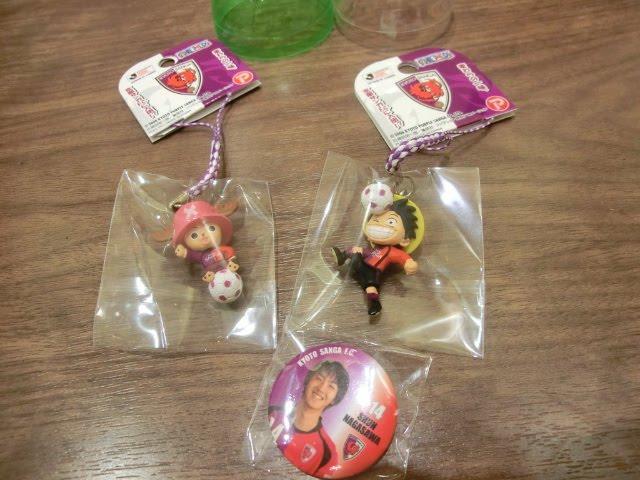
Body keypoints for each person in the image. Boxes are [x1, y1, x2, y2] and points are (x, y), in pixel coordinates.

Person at [332, 198, 419, 317]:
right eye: (376, 219)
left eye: (391, 222)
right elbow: (370, 253)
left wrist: (409, 263)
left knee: (370, 287)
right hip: (363, 265)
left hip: (372, 272)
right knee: (356, 251)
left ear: (404, 240)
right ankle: (342, 257)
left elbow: (403, 257)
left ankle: (375, 304)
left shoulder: (392, 251)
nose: (379, 224)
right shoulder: (377, 248)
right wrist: (360, 250)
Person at [269, 361, 349, 478]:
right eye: (319, 378)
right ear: (308, 380)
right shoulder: (272, 414)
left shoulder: (327, 454)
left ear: (335, 399)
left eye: (331, 386)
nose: (321, 388)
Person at [172, 200, 239, 283]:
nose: (203, 234)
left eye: (211, 228)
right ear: (186, 243)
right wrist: (184, 252)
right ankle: (210, 276)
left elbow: (230, 253)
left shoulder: (222, 249)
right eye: (194, 235)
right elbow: (191, 255)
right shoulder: (200, 255)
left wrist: (232, 262)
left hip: (229, 272)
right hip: (213, 277)